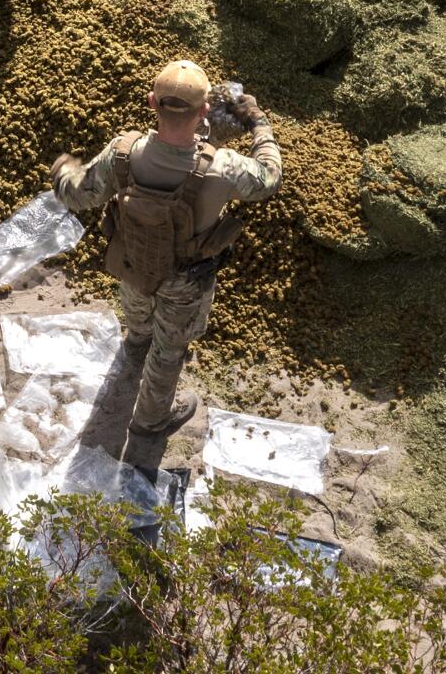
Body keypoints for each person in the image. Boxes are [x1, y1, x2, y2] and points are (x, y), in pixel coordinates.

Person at [50, 60, 281, 437]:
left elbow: (78, 195)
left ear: (152, 102)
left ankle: (137, 340)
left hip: (133, 261)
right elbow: (270, 176)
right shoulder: (224, 167)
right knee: (169, 351)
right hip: (185, 280)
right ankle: (151, 419)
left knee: (138, 313)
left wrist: (62, 169)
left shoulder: (122, 152)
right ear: (204, 111)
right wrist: (258, 123)